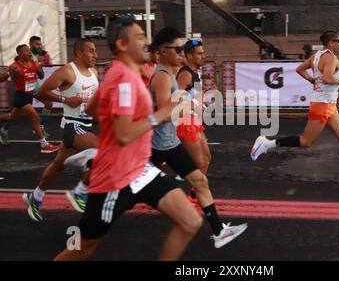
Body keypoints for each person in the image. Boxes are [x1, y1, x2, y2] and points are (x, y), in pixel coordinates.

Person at [54, 16, 203, 261]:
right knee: (81, 250)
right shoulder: (124, 80)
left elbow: (92, 108)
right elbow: (123, 135)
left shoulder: (124, 73)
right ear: (123, 44)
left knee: (190, 221)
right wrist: (160, 115)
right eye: (140, 37)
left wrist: (111, 130)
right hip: (116, 179)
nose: (147, 42)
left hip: (141, 170)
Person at [149, 27, 247, 249]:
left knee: (200, 179)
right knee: (125, 190)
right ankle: (94, 198)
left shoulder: (172, 74)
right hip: (156, 144)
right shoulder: (164, 77)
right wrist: (192, 103)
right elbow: (165, 113)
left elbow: (176, 104)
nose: (181, 53)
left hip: (169, 144)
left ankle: (219, 231)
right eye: (178, 49)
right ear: (163, 51)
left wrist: (196, 101)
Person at [250, 30, 339, 188]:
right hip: (322, 105)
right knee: (306, 141)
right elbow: (327, 78)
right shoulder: (331, 57)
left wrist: (312, 80)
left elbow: (300, 69)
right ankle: (266, 144)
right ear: (330, 43)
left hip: (328, 104)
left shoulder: (316, 56)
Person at [22, 39, 99, 222]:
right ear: (79, 53)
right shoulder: (67, 71)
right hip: (73, 126)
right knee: (104, 152)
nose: (96, 55)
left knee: (58, 165)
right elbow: (41, 93)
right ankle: (80, 192)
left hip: (88, 125)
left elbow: (94, 100)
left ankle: (36, 197)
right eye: (91, 51)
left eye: (96, 51)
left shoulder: (94, 72)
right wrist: (65, 100)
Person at [0, 45, 59, 153]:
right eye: (26, 51)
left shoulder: (34, 63)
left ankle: (3, 130)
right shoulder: (15, 66)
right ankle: (44, 145)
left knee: (10, 117)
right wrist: (10, 74)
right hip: (21, 96)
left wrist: (40, 70)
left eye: (29, 50)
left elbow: (41, 76)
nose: (29, 52)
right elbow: (3, 77)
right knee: (35, 117)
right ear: (20, 54)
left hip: (30, 94)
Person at [176, 39, 210, 203]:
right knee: (198, 162)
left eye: (203, 53)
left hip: (194, 121)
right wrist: (197, 103)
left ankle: (196, 193)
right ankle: (176, 193)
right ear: (189, 55)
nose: (203, 56)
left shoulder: (195, 73)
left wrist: (202, 101)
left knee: (206, 159)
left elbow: (195, 97)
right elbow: (174, 101)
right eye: (199, 53)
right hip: (185, 122)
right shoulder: (186, 74)